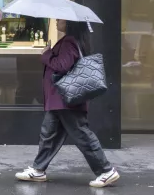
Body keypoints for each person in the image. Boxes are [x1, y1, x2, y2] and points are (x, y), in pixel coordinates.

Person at [15, 19, 120, 188]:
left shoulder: (69, 41)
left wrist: (46, 54)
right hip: (59, 100)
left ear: (71, 23)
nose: (57, 21)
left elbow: (62, 66)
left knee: (82, 134)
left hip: (65, 99)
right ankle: (38, 169)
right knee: (48, 134)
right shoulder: (73, 40)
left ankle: (106, 171)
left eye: (60, 20)